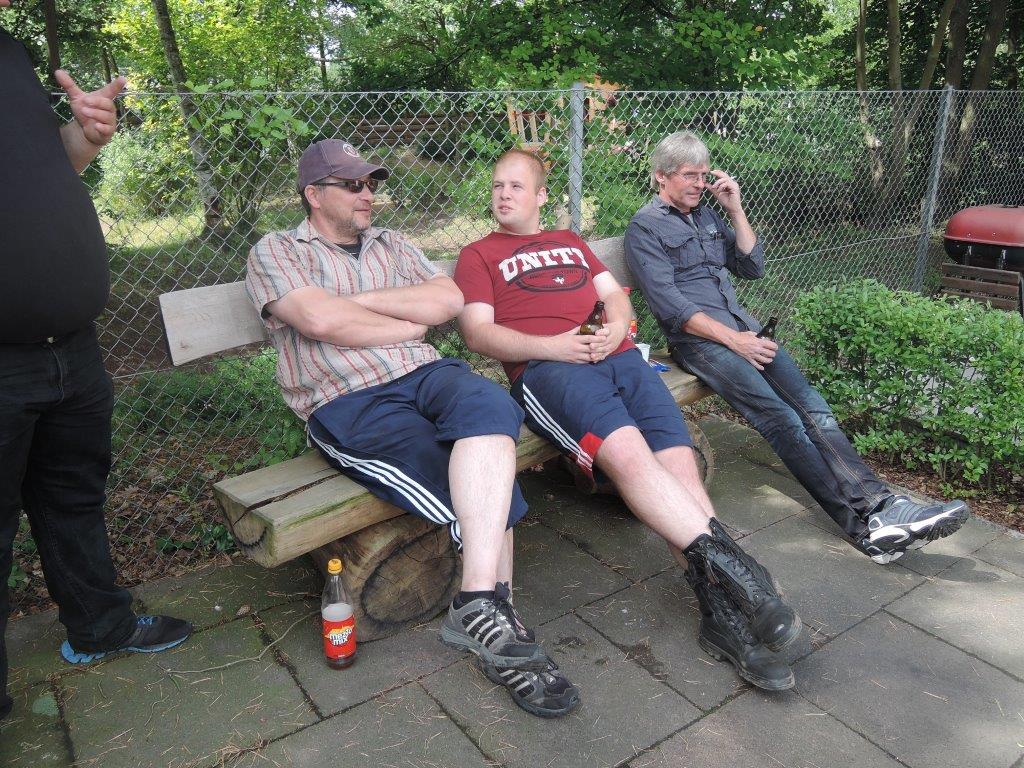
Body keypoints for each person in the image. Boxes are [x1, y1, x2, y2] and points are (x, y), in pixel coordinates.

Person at [245, 138, 579, 718]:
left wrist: (358, 305)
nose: (367, 194)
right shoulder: (277, 250)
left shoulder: (393, 243)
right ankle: (503, 629)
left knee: (491, 408)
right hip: (348, 400)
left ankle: (476, 604)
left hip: (426, 373)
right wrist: (401, 322)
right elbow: (318, 318)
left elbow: (446, 301)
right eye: (353, 185)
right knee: (472, 480)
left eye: (371, 183)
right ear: (313, 195)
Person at [454, 148, 801, 692]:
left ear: (541, 196)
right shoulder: (478, 255)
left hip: (619, 359)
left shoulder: (569, 242)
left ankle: (722, 615)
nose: (503, 194)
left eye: (516, 186)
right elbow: (477, 333)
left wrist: (618, 329)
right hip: (550, 372)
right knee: (631, 457)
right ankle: (746, 582)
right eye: (498, 185)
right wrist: (553, 347)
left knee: (680, 464)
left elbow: (615, 299)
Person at [624, 131, 969, 565]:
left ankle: (882, 505)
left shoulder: (708, 216)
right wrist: (735, 341)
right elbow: (670, 307)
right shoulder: (645, 227)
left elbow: (752, 265)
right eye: (689, 176)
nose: (699, 184)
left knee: (813, 408)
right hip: (701, 343)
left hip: (746, 333)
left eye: (703, 175)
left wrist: (735, 209)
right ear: (661, 176)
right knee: (782, 418)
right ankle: (865, 527)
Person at [0, 8, 192, 721]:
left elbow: (41, 174)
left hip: (72, 349)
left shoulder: (10, 53)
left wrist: (82, 136)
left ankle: (100, 628)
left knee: (73, 498)